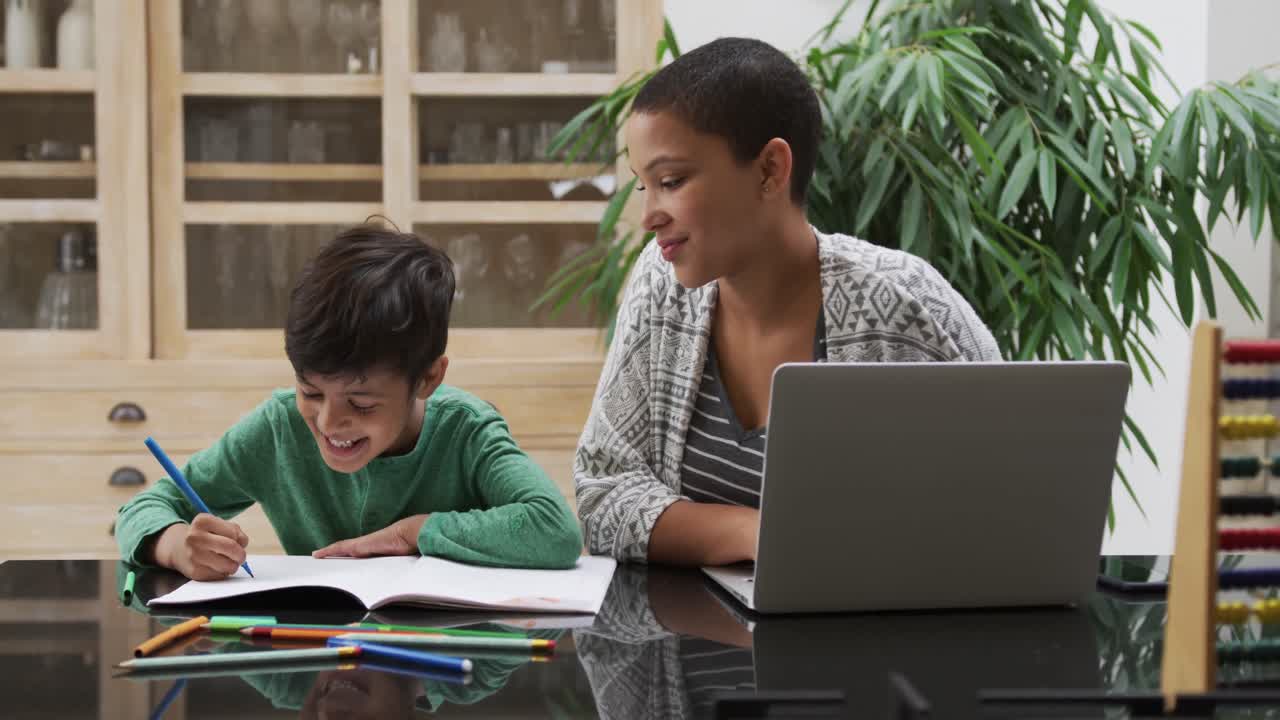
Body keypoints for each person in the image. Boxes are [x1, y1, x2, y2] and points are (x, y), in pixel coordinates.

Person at [574, 37, 1001, 565]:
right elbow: (602, 492)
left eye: (671, 180)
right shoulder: (658, 285)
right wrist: (760, 534)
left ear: (770, 169)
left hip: (876, 642)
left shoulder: (910, 304)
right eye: (645, 187)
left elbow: (1005, 506)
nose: (648, 216)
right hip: (683, 641)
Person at [116, 224, 582, 579]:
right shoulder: (279, 429)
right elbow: (143, 508)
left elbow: (555, 530)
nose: (328, 421)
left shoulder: (467, 431)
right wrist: (176, 545)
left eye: (360, 403)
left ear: (427, 379)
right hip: (315, 653)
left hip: (439, 660)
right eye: (310, 391)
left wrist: (413, 533)